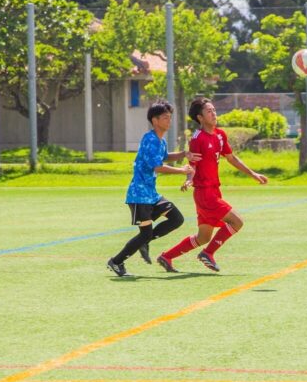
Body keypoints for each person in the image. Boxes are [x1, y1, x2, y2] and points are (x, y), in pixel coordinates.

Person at [157, 97, 268, 273]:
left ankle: (167, 257)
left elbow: (231, 158)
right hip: (205, 194)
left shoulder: (220, 135)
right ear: (200, 117)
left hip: (214, 192)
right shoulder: (197, 138)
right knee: (237, 222)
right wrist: (189, 178)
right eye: (209, 111)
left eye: (214, 110)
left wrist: (253, 173)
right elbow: (193, 163)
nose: (214, 113)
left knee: (203, 237)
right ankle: (208, 253)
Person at [106, 101, 196, 278]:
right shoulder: (150, 139)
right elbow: (158, 166)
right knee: (145, 234)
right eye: (165, 118)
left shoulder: (160, 141)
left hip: (151, 195)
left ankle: (144, 241)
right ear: (155, 120)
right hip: (139, 196)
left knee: (176, 219)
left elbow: (164, 157)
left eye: (170, 117)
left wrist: (183, 154)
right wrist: (182, 170)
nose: (169, 121)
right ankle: (116, 262)